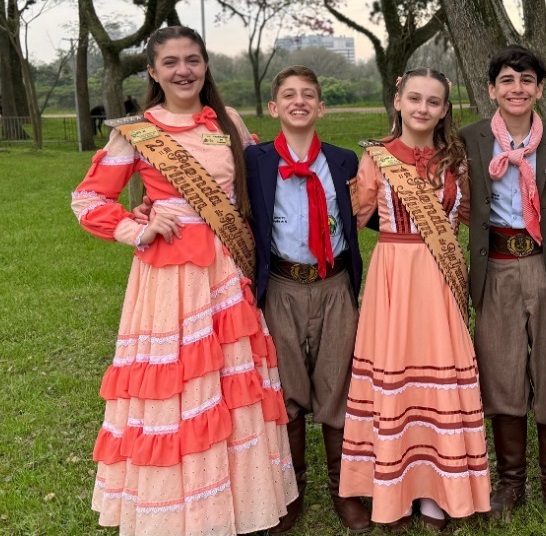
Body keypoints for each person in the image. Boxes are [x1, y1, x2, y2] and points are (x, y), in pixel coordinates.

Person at [70, 26, 297, 535]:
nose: (183, 71)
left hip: (226, 268)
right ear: (153, 72)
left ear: (205, 65)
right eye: (170, 62)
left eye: (192, 60)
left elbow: (257, 185)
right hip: (172, 279)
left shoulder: (228, 122)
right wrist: (138, 227)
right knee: (183, 387)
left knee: (232, 384)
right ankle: (179, 511)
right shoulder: (136, 132)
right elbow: (87, 200)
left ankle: (244, 500)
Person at [338, 67, 491, 531]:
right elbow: (352, 213)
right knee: (396, 378)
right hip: (394, 277)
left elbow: (466, 216)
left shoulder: (455, 160)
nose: (423, 108)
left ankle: (436, 490)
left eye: (434, 101)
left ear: (444, 110)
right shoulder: (376, 158)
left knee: (437, 376)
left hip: (439, 277)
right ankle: (394, 490)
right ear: (398, 100)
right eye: (415, 98)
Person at [459, 44, 546, 522]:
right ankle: (511, 481)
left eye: (526, 81)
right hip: (496, 266)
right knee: (501, 372)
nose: (516, 89)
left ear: (540, 89)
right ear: (491, 89)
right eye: (507, 80)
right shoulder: (471, 139)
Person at [244, 66, 371, 534]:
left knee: (339, 386)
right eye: (289, 96)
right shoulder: (254, 161)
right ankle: (292, 489)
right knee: (289, 390)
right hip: (281, 285)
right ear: (274, 108)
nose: (299, 102)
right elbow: (222, 200)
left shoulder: (343, 162)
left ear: (322, 107)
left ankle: (346, 491)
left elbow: (373, 211)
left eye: (309, 95)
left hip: (335, 284)